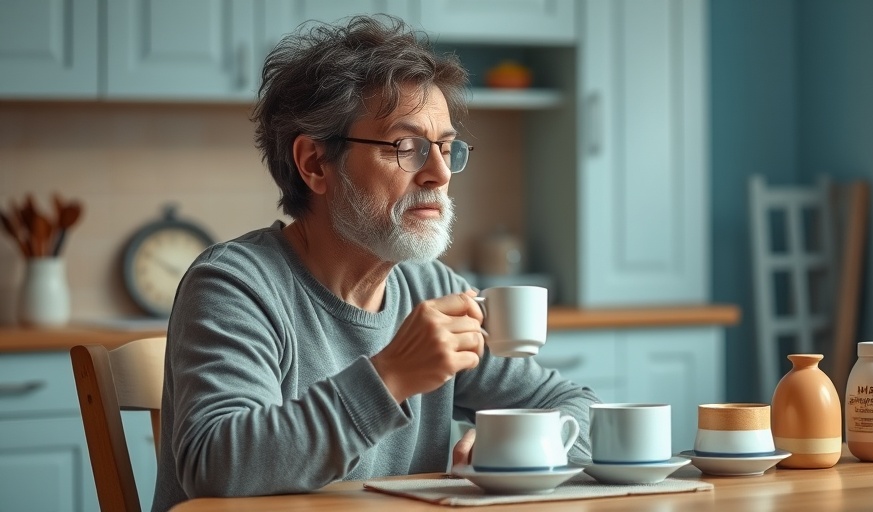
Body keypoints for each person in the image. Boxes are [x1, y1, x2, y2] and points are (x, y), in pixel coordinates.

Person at [151, 14, 599, 511]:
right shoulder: (235, 284)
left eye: (446, 148)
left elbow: (581, 410)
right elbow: (215, 465)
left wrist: (531, 442)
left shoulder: (434, 290)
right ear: (314, 163)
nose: (439, 174)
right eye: (407, 147)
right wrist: (391, 376)